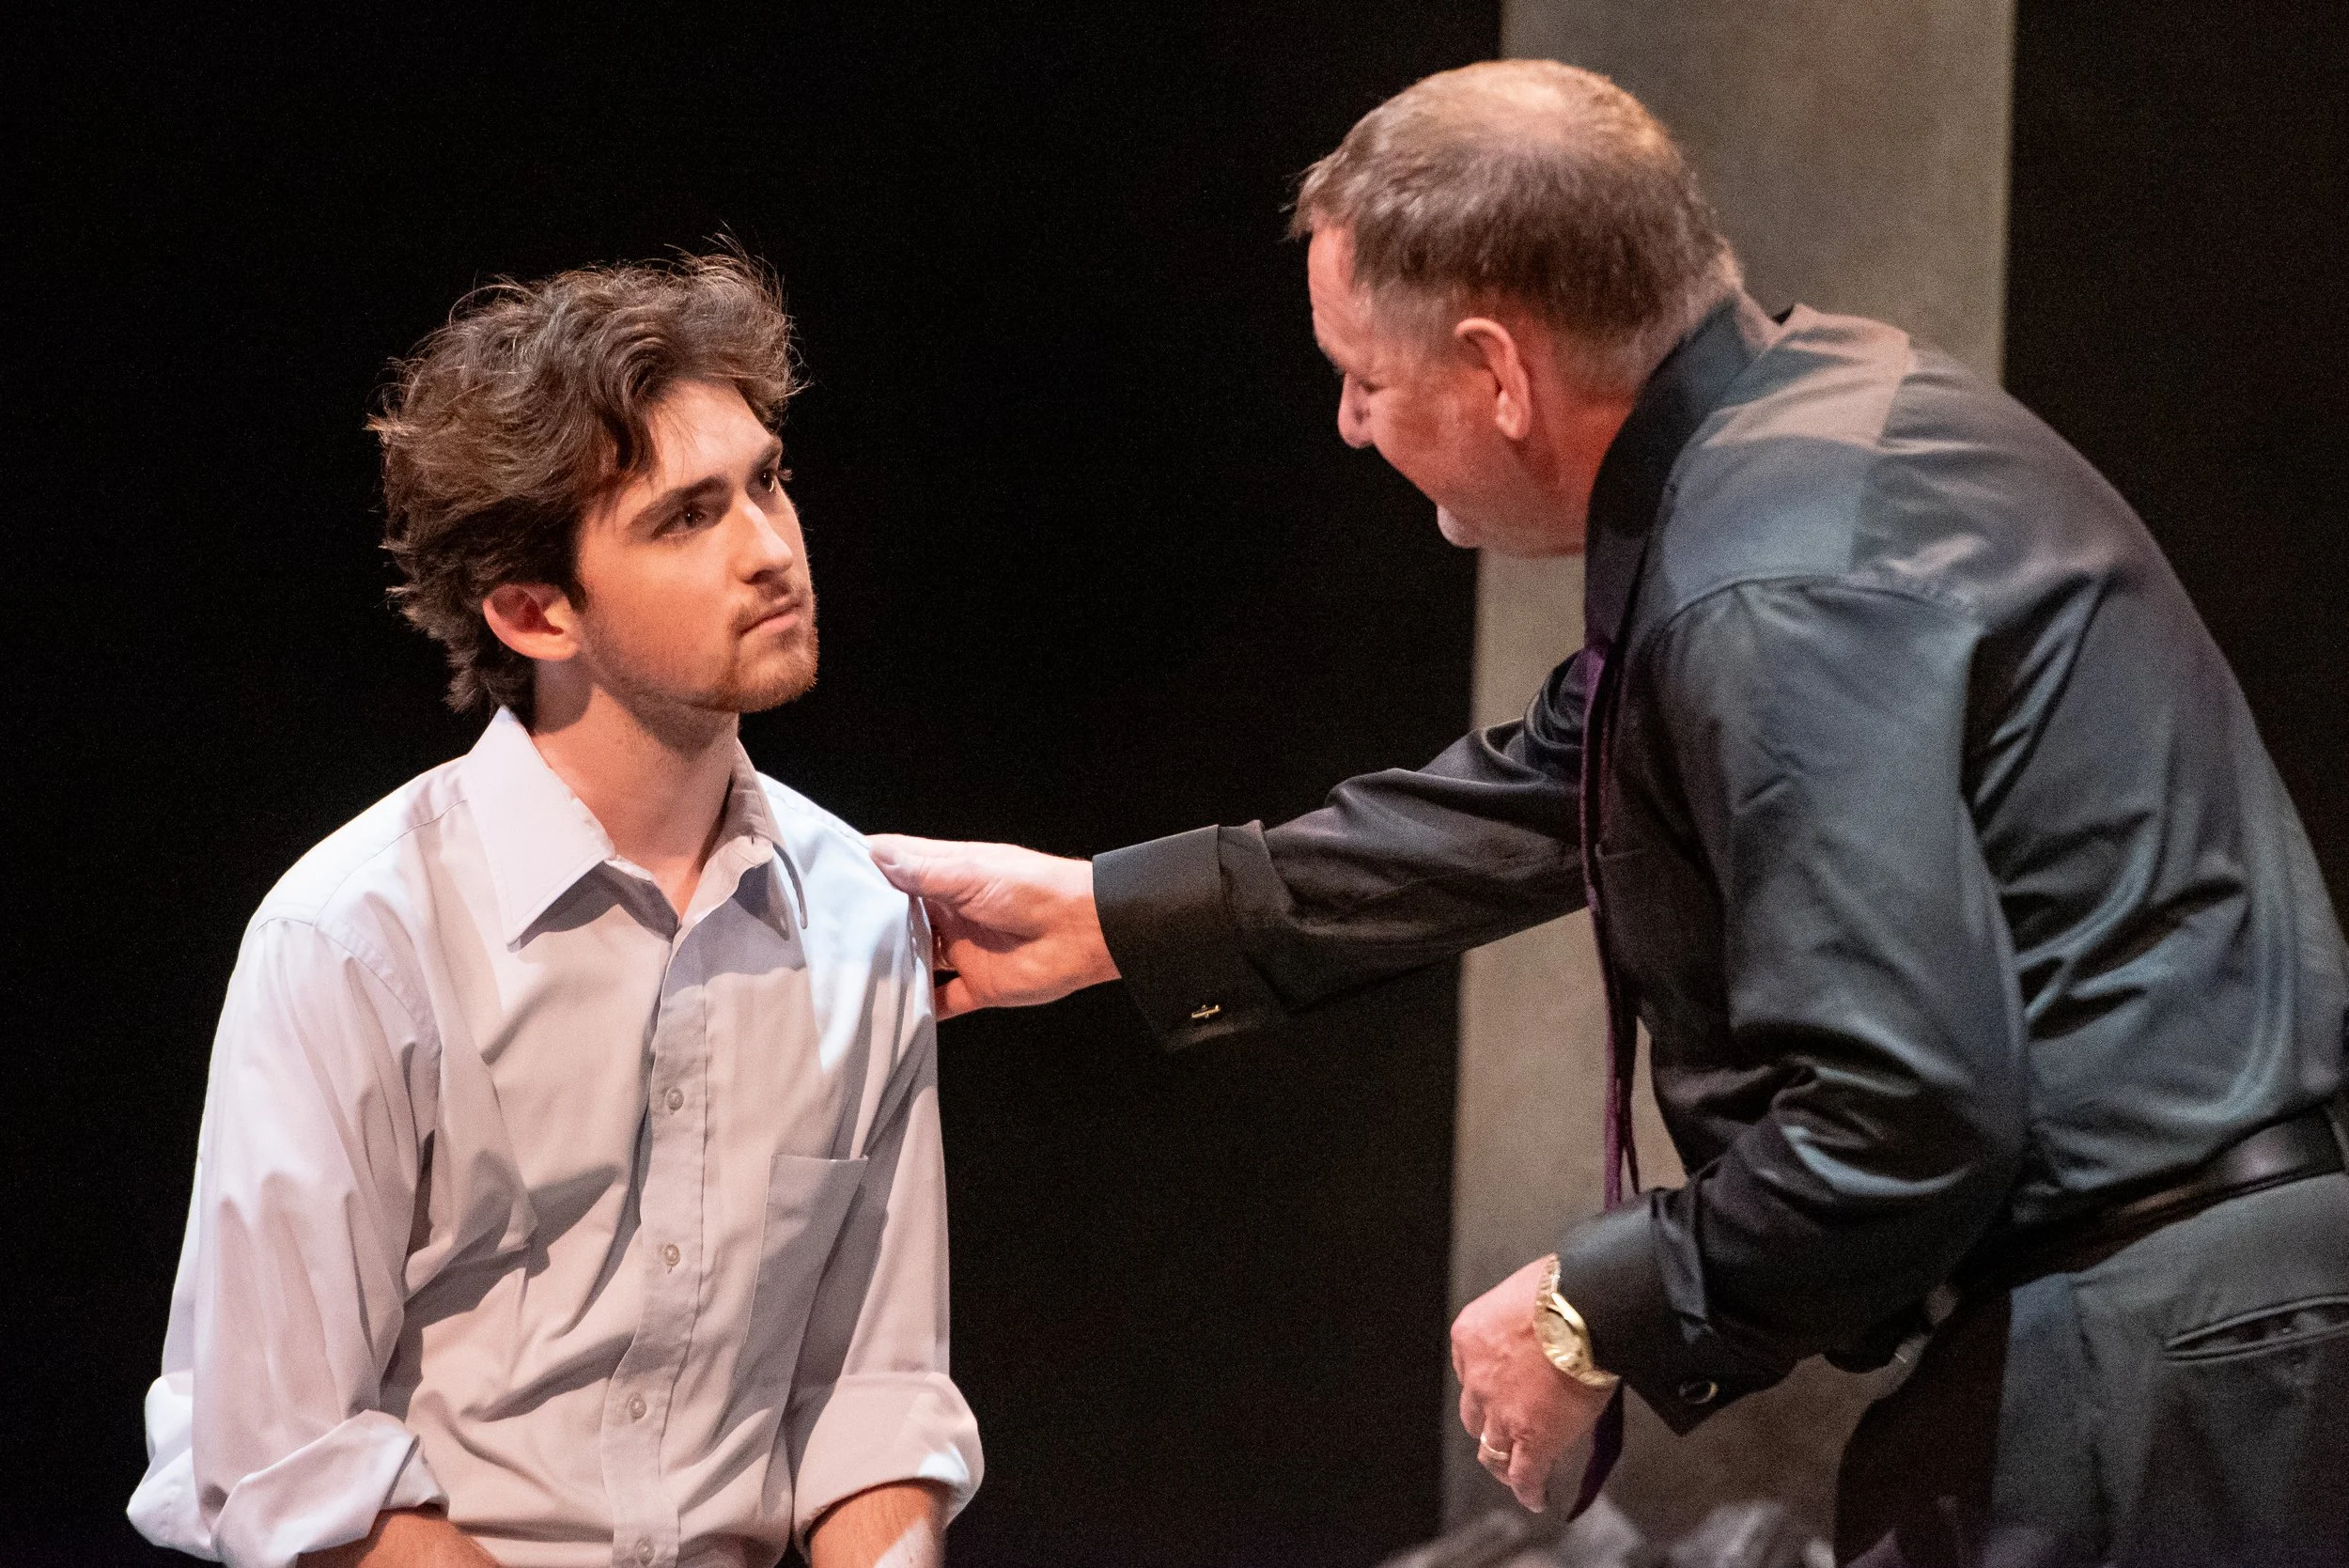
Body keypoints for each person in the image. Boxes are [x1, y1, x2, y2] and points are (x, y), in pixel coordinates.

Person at [864, 60, 2349, 1567]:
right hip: (2184, 1334)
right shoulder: (1808, 428)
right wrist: (1107, 917)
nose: (1347, 426)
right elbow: (1543, 786)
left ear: (1498, 372)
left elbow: (1904, 1114)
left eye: (1364, 379)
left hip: (2163, 1372)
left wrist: (1587, 1312)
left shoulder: (1765, 588)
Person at [129, 254, 981, 1568]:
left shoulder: (857, 916)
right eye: (686, 517)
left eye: (766, 481)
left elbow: (871, 1400)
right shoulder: (357, 938)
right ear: (534, 612)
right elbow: (285, 1459)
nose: (771, 549)